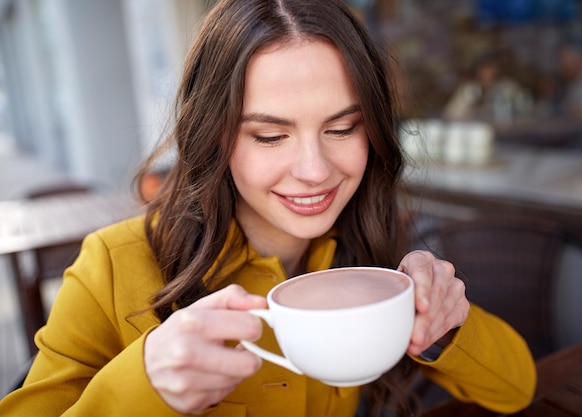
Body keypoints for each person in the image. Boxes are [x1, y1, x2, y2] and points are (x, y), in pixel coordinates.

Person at [0, 1, 536, 416]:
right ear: (213, 137)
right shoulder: (111, 268)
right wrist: (146, 382)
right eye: (271, 135)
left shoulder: (375, 255)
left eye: (342, 128)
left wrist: (445, 324)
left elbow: (517, 388)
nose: (315, 170)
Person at [443, 52, 533, 124]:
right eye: (484, 70)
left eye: (491, 69)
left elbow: (526, 110)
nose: (487, 74)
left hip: (506, 134)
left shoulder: (507, 88)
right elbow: (451, 115)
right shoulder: (469, 90)